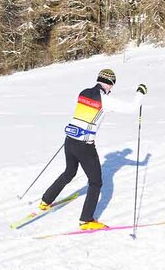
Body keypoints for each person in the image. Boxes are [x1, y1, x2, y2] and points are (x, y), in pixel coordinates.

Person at [40, 68, 148, 230]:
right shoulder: (106, 100)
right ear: (111, 84)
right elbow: (131, 108)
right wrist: (140, 93)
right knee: (96, 182)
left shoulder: (83, 92)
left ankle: (46, 200)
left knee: (69, 172)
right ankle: (86, 219)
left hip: (70, 141)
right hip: (84, 146)